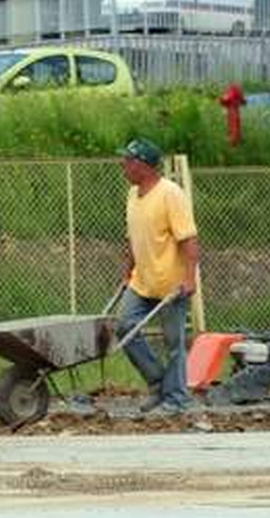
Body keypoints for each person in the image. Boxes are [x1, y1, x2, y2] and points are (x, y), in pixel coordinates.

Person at [115, 138, 200, 415]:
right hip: (142, 280)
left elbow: (188, 239)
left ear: (143, 166)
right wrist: (127, 270)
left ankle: (176, 399)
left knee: (174, 342)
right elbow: (133, 237)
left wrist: (189, 278)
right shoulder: (132, 194)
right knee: (125, 327)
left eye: (127, 161)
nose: (122, 166)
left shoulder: (170, 194)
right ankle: (158, 383)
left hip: (171, 284)